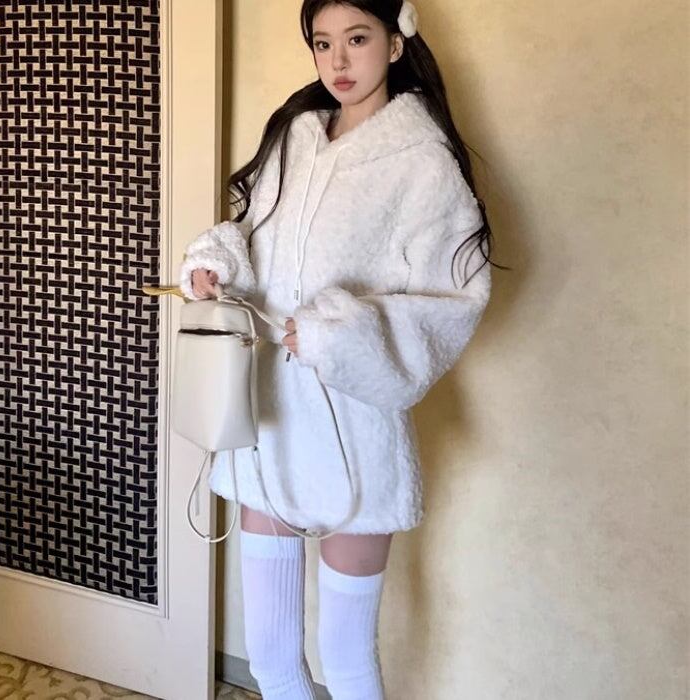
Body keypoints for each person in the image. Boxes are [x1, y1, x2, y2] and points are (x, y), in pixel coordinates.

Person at [179, 1, 504, 697]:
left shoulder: (422, 160)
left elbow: (454, 299)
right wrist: (215, 263)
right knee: (270, 656)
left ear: (395, 43)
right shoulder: (294, 139)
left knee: (346, 658)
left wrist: (337, 332)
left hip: (355, 429)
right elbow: (250, 233)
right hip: (267, 422)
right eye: (322, 43)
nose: (338, 61)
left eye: (357, 39)